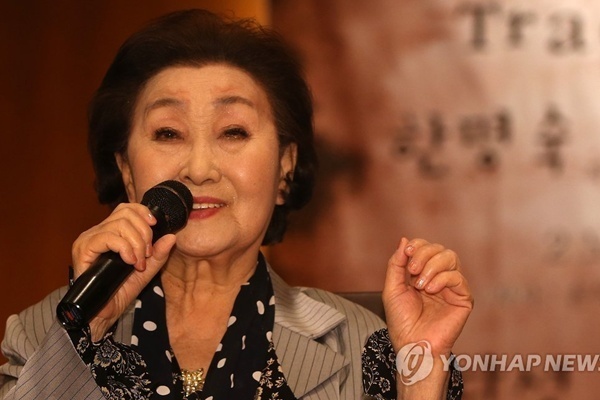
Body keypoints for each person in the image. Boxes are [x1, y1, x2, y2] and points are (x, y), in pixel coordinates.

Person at [0, 9, 473, 400]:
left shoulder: (367, 346)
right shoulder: (40, 333)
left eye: (233, 132)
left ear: (285, 166)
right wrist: (84, 334)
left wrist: (420, 381)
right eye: (168, 133)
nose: (199, 168)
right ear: (126, 170)